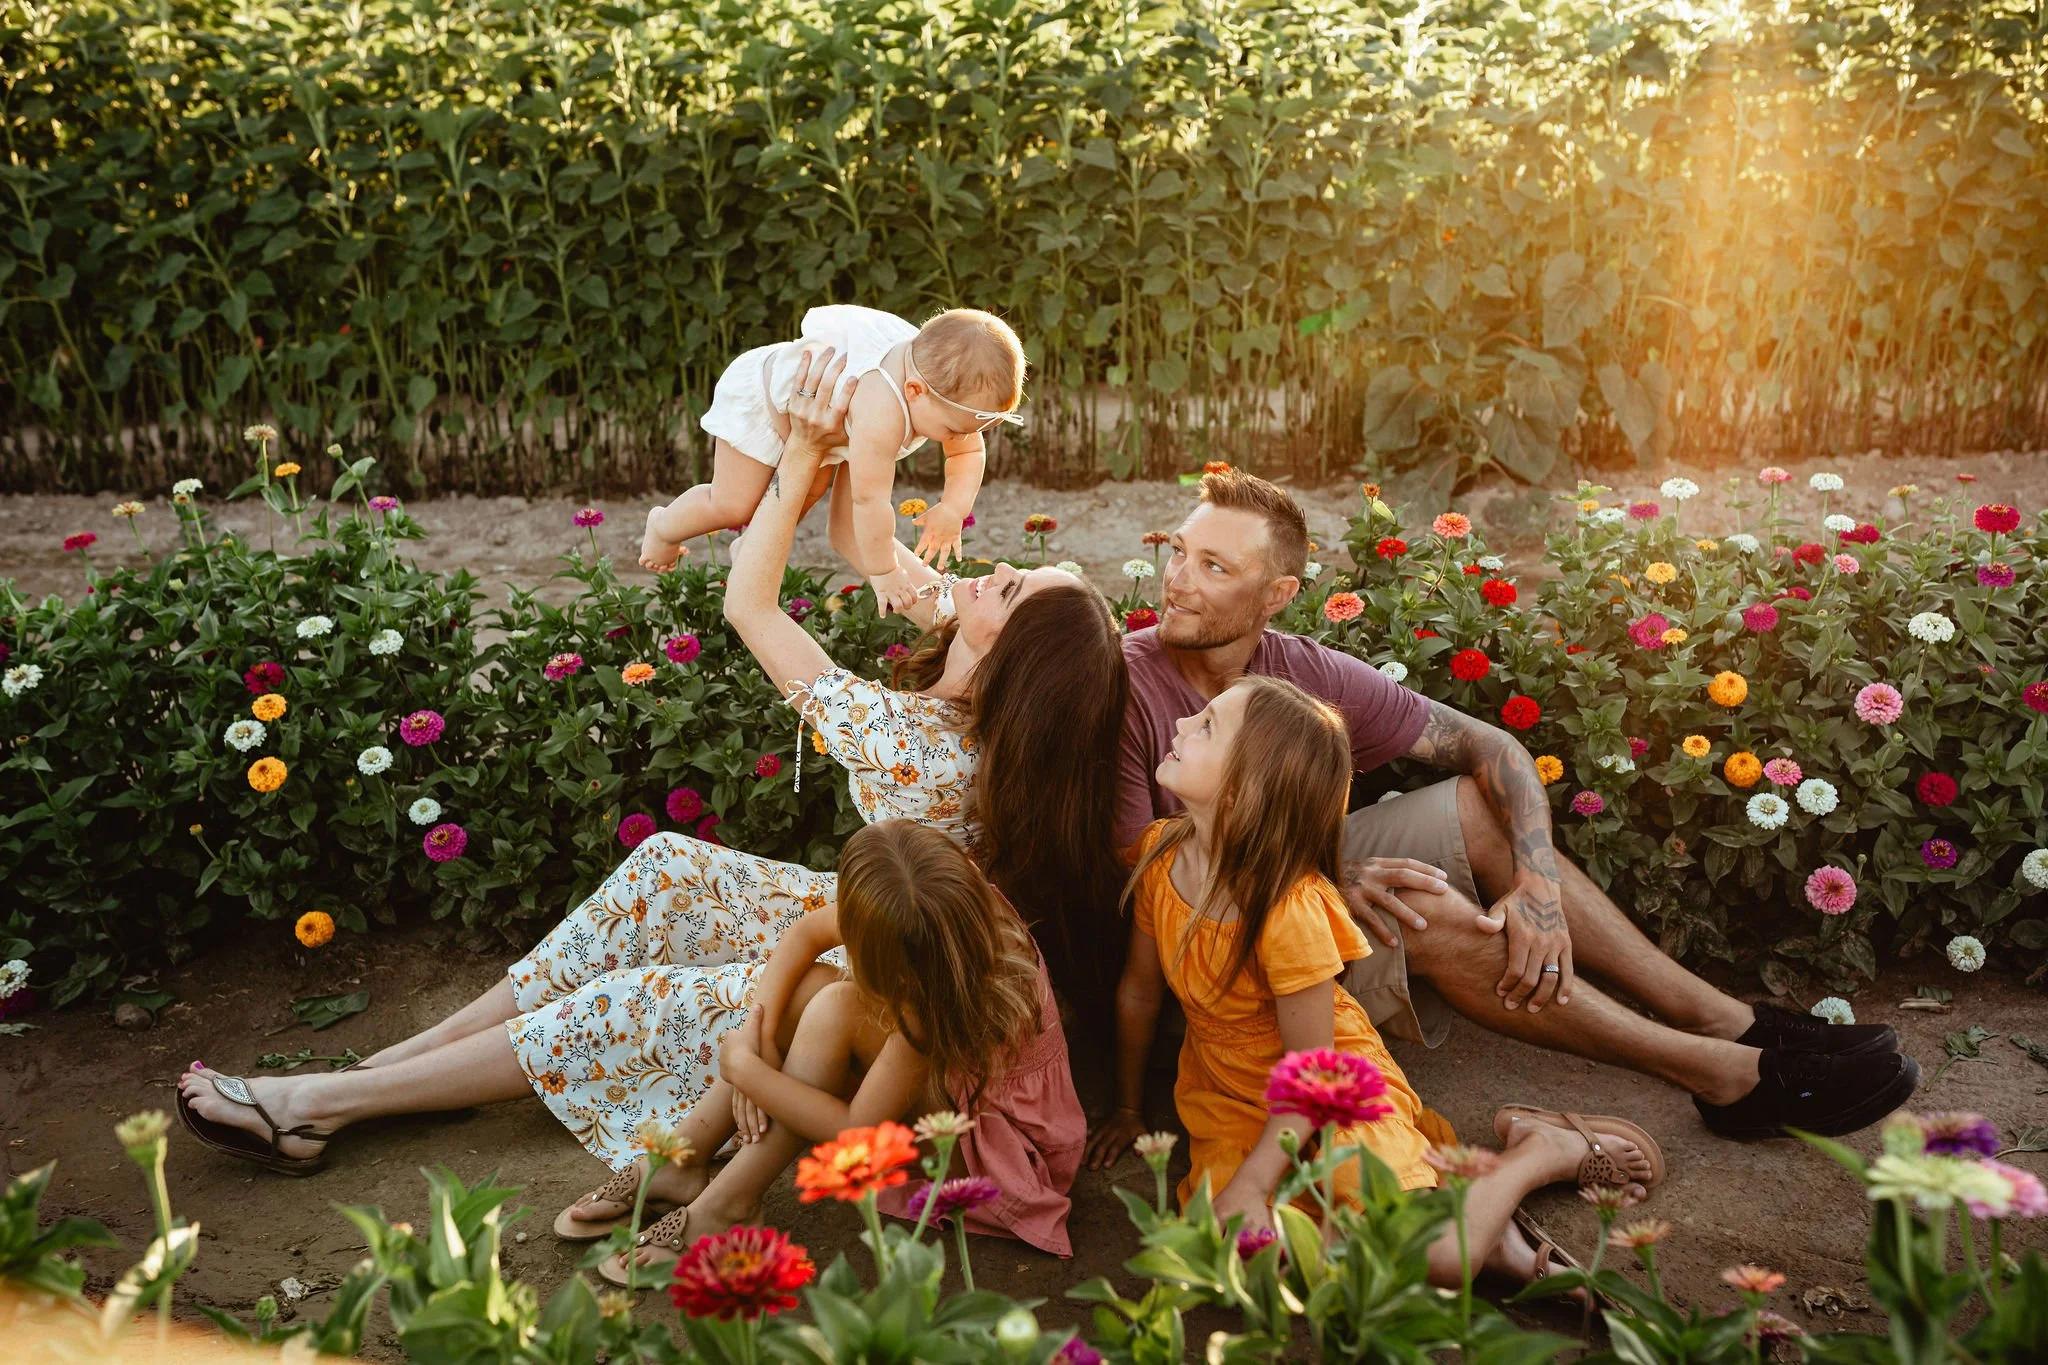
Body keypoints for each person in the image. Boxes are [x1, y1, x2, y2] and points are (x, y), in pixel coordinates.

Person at [175, 351, 1126, 1224]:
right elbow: (864, 541)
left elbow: (747, 603)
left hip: (898, 983)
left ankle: (316, 1106)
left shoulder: (920, 743)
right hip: (880, 924)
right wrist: (843, 443)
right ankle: (383, 1071)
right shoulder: (974, 699)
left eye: (1011, 589)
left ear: (1014, 662)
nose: (991, 570)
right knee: (670, 866)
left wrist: (795, 457)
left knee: (646, 998)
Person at [1105, 468, 1918, 1143]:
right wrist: (1320, 895)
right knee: (1430, 910)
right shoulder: (1127, 684)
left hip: (1287, 879)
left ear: (1277, 593)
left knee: (1476, 804)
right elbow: (1152, 871)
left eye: (1215, 566)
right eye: (1180, 553)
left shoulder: (1299, 668)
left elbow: (1493, 749)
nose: (1177, 579)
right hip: (1212, 945)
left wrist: (1536, 886)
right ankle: (1725, 1076)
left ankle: (1727, 1020)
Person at [1084, 676, 1661, 1291]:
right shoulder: (1161, 855)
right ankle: (1495, 1246)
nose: (1178, 727)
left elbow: (1314, 1074)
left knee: (1437, 1257)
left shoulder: (1286, 909)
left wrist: (1254, 1182)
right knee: (1235, 1259)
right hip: (1228, 1095)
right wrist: (1126, 1106)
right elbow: (1139, 991)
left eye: (1205, 727)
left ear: (1244, 790)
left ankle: (1538, 1155)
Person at [590, 819, 1084, 1286]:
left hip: (986, 1149)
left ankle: (728, 1206)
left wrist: (745, 1068)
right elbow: (806, 933)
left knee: (833, 1008)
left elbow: (858, 1137)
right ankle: (683, 1159)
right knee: (801, 995)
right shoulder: (947, 911)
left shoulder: (933, 1004)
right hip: (952, 1091)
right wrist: (756, 1034)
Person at [638, 306, 1025, 615]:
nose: (960, 437)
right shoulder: (881, 413)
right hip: (768, 402)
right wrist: (884, 571)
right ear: (914, 391)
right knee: (732, 503)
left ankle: (750, 547)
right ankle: (664, 526)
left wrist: (954, 509)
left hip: (828, 423)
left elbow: (969, 451)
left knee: (806, 493)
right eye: (953, 429)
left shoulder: (941, 390)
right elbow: (869, 502)